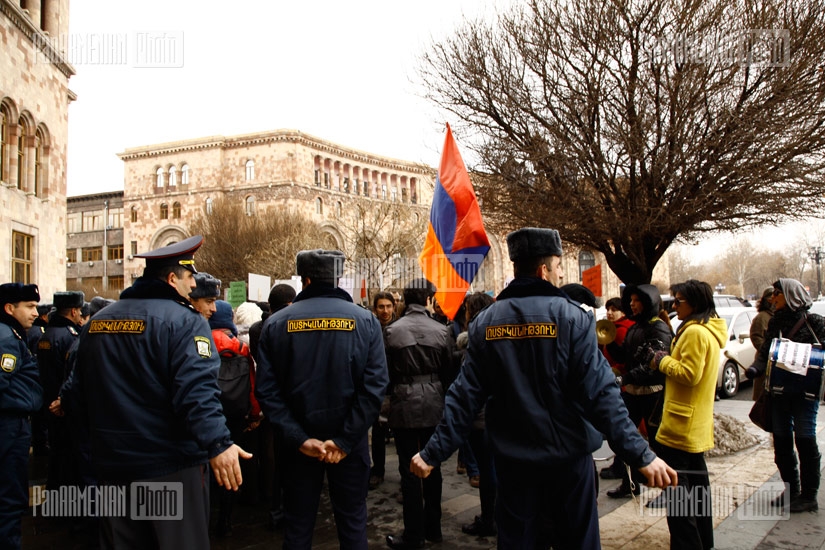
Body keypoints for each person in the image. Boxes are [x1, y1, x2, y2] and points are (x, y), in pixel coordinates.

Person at [411, 228, 676, 549]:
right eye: (558, 265)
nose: (561, 272)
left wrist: (432, 453)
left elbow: (463, 397)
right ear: (543, 270)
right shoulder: (573, 319)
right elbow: (602, 396)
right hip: (569, 465)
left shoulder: (485, 323)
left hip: (513, 466)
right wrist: (642, 455)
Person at [62, 235, 251, 549]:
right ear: (173, 278)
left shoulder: (97, 321)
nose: (194, 286)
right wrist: (218, 443)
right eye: (190, 278)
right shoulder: (184, 322)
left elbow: (74, 394)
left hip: (112, 468)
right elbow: (197, 392)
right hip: (169, 468)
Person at [255, 249, 388, 549]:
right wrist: (344, 439)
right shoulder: (366, 321)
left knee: (298, 527)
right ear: (338, 278)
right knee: (353, 525)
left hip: (297, 447)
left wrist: (300, 439)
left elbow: (267, 391)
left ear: (305, 279)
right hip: (350, 447)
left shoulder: (277, 324)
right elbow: (375, 387)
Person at [647, 279, 727, 549]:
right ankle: (704, 542)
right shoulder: (707, 330)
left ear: (695, 303)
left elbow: (690, 375)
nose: (674, 305)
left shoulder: (694, 333)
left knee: (680, 502)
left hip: (681, 426)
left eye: (679, 301)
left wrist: (661, 360)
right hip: (693, 423)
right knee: (698, 495)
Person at [383, 278, 455, 549]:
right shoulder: (442, 330)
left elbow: (386, 372)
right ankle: (433, 528)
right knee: (432, 465)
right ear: (427, 300)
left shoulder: (391, 331)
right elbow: (449, 371)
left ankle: (414, 534)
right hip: (434, 402)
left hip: (404, 403)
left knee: (408, 469)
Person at [746, 278, 824, 513]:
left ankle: (809, 496)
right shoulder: (775, 323)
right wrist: (755, 369)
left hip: (805, 395)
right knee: (781, 443)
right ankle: (792, 490)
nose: (772, 298)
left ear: (790, 295)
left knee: (805, 440)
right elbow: (765, 353)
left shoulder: (815, 323)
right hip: (778, 394)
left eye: (777, 293)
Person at [607, 284, 672, 499]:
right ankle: (629, 483)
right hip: (632, 393)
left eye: (637, 300)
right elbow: (624, 356)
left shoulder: (658, 327)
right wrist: (606, 339)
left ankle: (667, 488)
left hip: (653, 393)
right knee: (626, 441)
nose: (632, 304)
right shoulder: (635, 328)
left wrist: (624, 378)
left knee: (657, 443)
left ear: (648, 302)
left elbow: (652, 364)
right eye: (631, 300)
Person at [209, 300, 263, 536]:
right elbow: (251, 387)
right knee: (231, 467)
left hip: (208, 416)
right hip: (235, 417)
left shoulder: (197, 343)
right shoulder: (241, 348)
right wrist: (254, 415)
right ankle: (226, 520)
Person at [248, 282, 296, 530]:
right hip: (292, 400)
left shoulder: (257, 328)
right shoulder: (288, 325)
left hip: (269, 400)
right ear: (289, 303)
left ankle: (276, 506)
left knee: (275, 455)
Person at [0, 283, 43, 550]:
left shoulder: (12, 334)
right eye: (29, 306)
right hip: (8, 426)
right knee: (9, 501)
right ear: (9, 308)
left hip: (12, 425)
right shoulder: (6, 338)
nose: (36, 313)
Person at [455, 291, 497, 538]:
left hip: (480, 417)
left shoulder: (474, 342)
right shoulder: (498, 335)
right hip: (497, 414)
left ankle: (489, 519)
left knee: (487, 470)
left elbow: (468, 386)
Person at [38, 291, 85, 491]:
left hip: (47, 400)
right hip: (63, 403)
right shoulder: (70, 336)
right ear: (74, 311)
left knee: (57, 453)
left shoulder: (47, 334)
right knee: (68, 457)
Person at [369, 291, 397, 490]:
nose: (385, 310)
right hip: (377, 389)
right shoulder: (370, 328)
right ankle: (378, 471)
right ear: (375, 309)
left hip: (398, 388)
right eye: (381, 307)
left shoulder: (399, 328)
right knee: (377, 434)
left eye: (388, 306)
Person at [749, 287, 775, 402]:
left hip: (777, 364)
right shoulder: (762, 317)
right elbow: (756, 337)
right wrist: (769, 351)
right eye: (771, 296)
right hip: (764, 363)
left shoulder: (777, 316)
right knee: (763, 400)